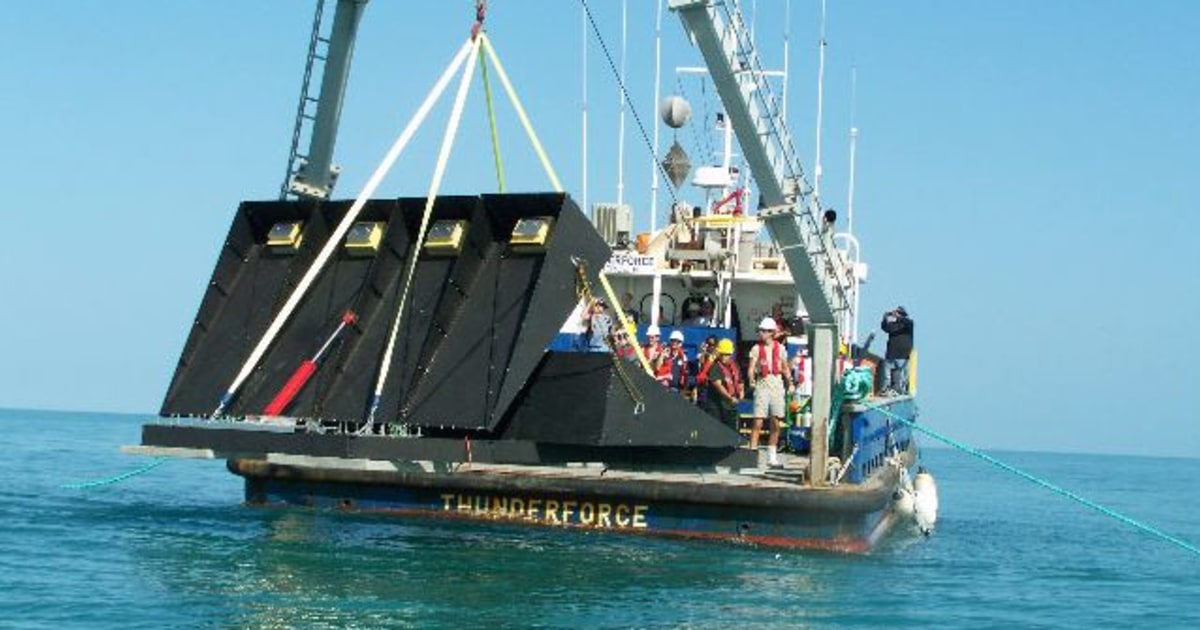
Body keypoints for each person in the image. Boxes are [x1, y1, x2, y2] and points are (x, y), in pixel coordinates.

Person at [747, 317, 794, 467]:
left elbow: (785, 367)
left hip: (777, 384)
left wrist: (790, 383)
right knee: (758, 421)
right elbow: (751, 367)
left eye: (765, 331)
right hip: (762, 384)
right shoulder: (756, 348)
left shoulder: (780, 348)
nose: (762, 333)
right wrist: (751, 380)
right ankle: (752, 455)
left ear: (772, 333)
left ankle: (771, 456)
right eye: (761, 330)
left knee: (776, 422)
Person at [700, 338, 743, 433]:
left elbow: (740, 381)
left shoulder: (734, 365)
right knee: (715, 431)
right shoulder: (715, 366)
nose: (725, 357)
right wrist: (730, 398)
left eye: (727, 354)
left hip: (730, 406)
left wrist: (741, 393)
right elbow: (718, 386)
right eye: (723, 354)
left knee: (731, 431)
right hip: (716, 405)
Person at [880, 306, 914, 395]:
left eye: (898, 313)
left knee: (903, 375)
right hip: (891, 353)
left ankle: (903, 390)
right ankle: (886, 388)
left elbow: (908, 321)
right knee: (887, 374)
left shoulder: (908, 324)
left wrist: (898, 316)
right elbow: (884, 328)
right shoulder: (893, 325)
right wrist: (885, 318)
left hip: (903, 354)